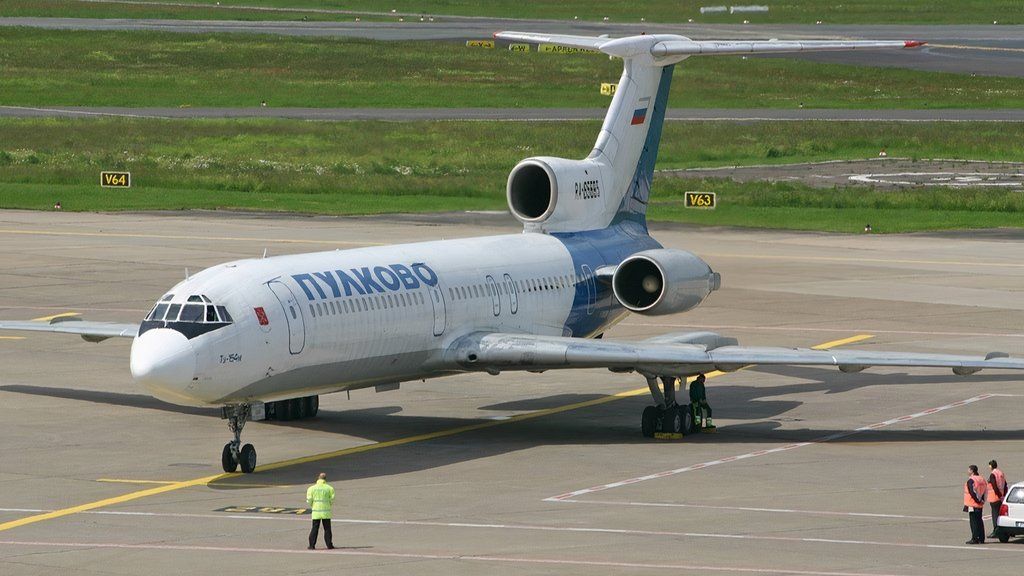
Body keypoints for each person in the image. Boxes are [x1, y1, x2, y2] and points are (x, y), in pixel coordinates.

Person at [306, 472, 335, 549]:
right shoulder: (329, 488)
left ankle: (312, 545)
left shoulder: (311, 488)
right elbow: (332, 499)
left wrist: (313, 505)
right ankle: (329, 545)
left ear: (318, 478)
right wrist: (328, 505)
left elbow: (309, 499)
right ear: (325, 479)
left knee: (315, 528)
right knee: (327, 529)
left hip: (316, 511)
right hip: (326, 511)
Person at [964, 464, 988, 544]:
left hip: (973, 504)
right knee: (979, 521)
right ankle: (981, 538)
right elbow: (986, 491)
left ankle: (975, 538)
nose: (967, 471)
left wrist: (977, 500)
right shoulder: (982, 479)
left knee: (973, 522)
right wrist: (982, 500)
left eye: (968, 470)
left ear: (972, 471)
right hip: (980, 503)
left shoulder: (971, 480)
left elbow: (972, 492)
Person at [987, 460, 1009, 538]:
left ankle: (996, 531)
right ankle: (1003, 530)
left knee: (995, 515)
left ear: (990, 466)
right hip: (1001, 497)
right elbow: (1005, 485)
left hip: (994, 497)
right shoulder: (1001, 473)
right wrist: (1003, 495)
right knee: (1000, 515)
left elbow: (994, 486)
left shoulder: (993, 474)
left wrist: (999, 495)